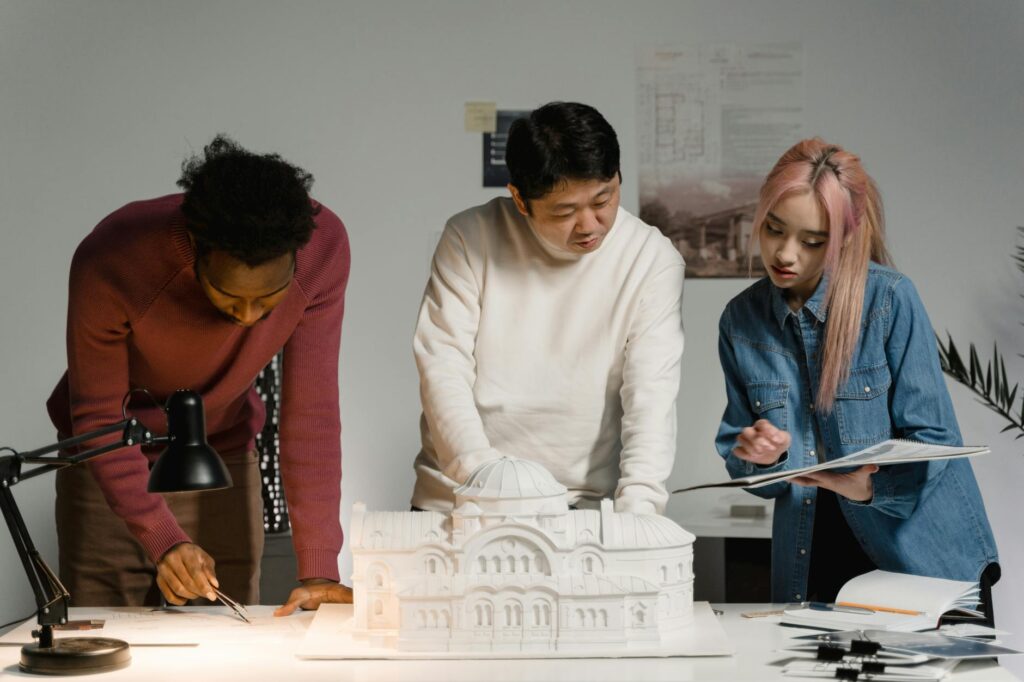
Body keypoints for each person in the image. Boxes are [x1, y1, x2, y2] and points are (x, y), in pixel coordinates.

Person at [47, 135, 353, 616]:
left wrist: (319, 570)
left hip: (220, 459)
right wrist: (163, 538)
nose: (250, 317)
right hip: (108, 461)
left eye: (268, 300)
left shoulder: (323, 251)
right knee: (105, 634)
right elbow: (96, 413)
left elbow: (311, 415)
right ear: (196, 250)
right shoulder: (113, 258)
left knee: (228, 639)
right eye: (230, 297)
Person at [715, 138, 999, 614]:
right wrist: (759, 456)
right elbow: (757, 478)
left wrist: (869, 488)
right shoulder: (740, 322)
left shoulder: (888, 301)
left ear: (845, 236)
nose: (785, 254)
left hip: (921, 559)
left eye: (812, 241)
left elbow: (936, 441)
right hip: (812, 561)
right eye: (773, 229)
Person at [411, 102, 685, 514]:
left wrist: (640, 510)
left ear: (617, 178)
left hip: (581, 506)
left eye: (602, 200)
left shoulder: (651, 258)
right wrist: (482, 478)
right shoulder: (470, 239)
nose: (589, 224)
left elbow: (651, 392)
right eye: (565, 211)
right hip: (460, 500)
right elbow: (443, 367)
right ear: (520, 200)